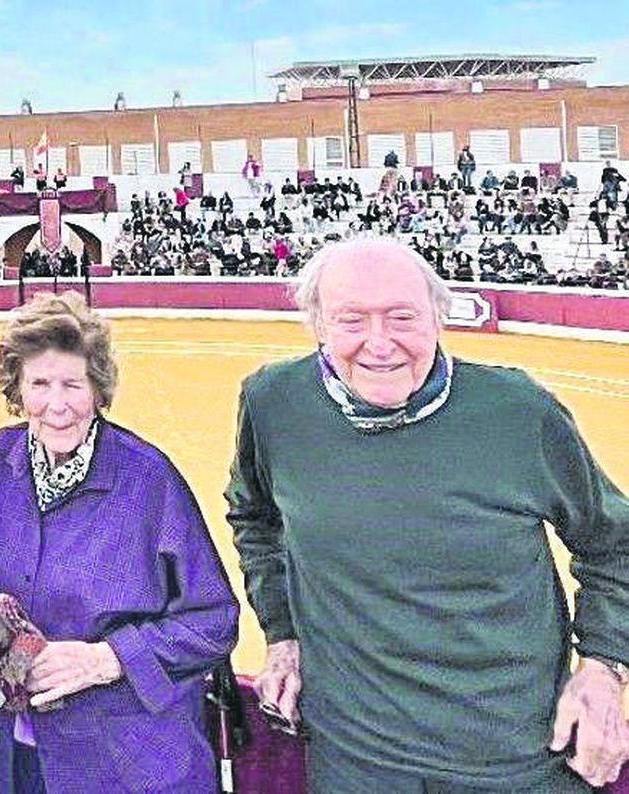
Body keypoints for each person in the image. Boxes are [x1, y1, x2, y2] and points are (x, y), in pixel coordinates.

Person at [229, 237, 629, 791]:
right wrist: (283, 631)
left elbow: (614, 543)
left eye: (402, 317)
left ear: (440, 317)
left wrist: (606, 667)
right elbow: (254, 518)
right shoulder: (274, 402)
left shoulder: (518, 411)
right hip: (355, 761)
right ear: (317, 324)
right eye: (351, 320)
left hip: (517, 759)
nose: (379, 343)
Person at [0, 292, 238, 792]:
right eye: (39, 383)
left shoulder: (149, 479)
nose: (57, 405)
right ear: (17, 389)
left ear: (98, 390)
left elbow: (212, 620)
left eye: (73, 385)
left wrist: (107, 658)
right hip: (23, 755)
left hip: (132, 761)